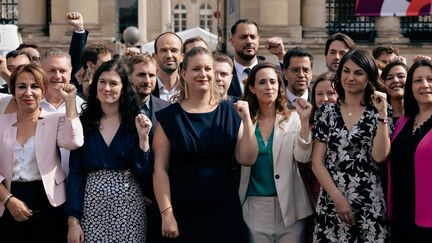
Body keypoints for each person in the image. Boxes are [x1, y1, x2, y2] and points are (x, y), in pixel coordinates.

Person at [153, 47, 258, 242]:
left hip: (224, 211)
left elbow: (247, 158)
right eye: (196, 69)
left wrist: (247, 121)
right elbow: (160, 169)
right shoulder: (169, 118)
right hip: (182, 212)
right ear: (184, 73)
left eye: (208, 69)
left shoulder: (231, 112)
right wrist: (166, 214)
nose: (203, 74)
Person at [65, 60, 152, 243]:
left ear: (123, 88)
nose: (107, 88)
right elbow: (76, 172)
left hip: (129, 209)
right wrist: (73, 221)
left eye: (113, 83)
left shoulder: (136, 122)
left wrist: (144, 139)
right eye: (102, 82)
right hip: (91, 209)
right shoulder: (84, 123)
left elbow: (143, 172)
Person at [312, 49, 391, 242]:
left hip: (369, 204)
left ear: (368, 77)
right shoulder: (326, 112)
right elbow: (317, 163)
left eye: (358, 73)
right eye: (346, 71)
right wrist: (338, 199)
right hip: (332, 204)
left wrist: (382, 116)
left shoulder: (379, 112)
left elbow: (380, 156)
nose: (350, 77)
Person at [0, 64, 84, 242]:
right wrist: (7, 199)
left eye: (35, 86)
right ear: (13, 90)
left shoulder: (55, 120)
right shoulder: (1, 123)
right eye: (22, 86)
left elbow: (74, 141)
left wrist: (70, 103)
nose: (28, 93)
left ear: (44, 90)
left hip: (49, 204)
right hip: (7, 202)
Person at [239, 62, 313, 243]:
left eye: (273, 82)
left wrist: (304, 122)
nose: (268, 87)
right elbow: (242, 159)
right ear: (252, 88)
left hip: (290, 206)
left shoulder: (294, 117)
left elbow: (303, 157)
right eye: (262, 82)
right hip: (254, 206)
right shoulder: (244, 120)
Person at [124, 53, 170, 243]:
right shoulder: (118, 109)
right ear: (129, 77)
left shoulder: (167, 109)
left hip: (160, 199)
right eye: (141, 75)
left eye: (152, 75)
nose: (147, 80)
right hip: (127, 197)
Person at [388, 59, 432, 243]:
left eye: (430, 79)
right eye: (417, 80)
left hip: (428, 220)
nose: (425, 85)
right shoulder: (403, 121)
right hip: (401, 215)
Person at [228, 19, 261, 98]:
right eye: (243, 37)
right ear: (232, 41)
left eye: (253, 37)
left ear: (258, 40)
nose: (249, 41)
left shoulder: (271, 71)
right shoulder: (224, 72)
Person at [152, 32, 183, 102]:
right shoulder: (147, 88)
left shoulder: (190, 89)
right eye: (163, 50)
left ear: (182, 57)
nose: (169, 55)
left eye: (174, 50)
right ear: (155, 57)